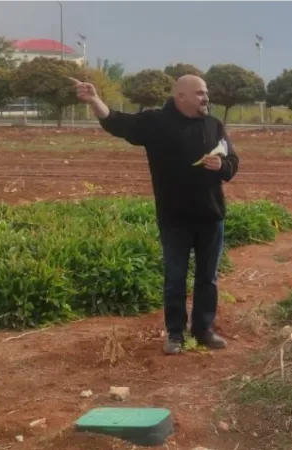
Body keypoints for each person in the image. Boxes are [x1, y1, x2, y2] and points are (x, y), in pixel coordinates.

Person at [71, 75, 239, 355]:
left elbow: (233, 163)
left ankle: (203, 329)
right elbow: (117, 122)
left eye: (206, 92)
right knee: (175, 278)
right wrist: (95, 100)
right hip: (174, 218)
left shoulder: (214, 124)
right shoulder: (157, 123)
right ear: (181, 97)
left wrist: (221, 164)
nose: (205, 98)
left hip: (211, 215)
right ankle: (175, 333)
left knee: (207, 278)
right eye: (199, 93)